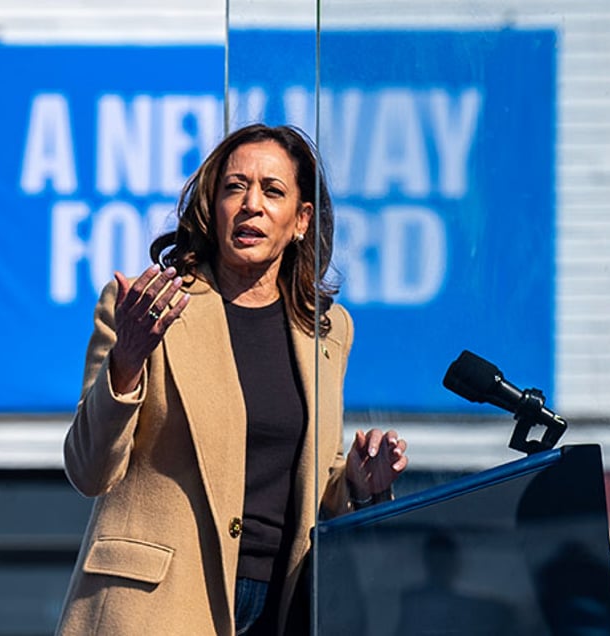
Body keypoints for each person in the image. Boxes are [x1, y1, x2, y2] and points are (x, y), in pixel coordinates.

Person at [55, 123, 408, 636]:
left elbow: (312, 473)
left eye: (272, 191)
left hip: (281, 607)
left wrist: (354, 481)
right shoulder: (149, 307)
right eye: (234, 187)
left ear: (301, 220)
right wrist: (128, 359)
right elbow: (88, 471)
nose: (251, 205)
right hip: (159, 604)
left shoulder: (328, 329)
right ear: (213, 207)